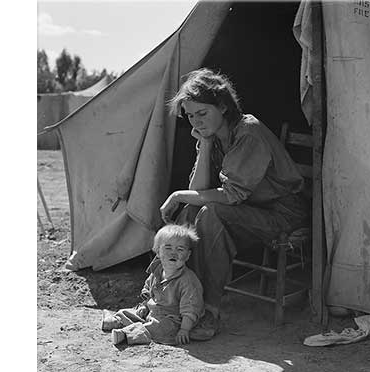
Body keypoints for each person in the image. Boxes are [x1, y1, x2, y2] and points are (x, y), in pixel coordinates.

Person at [160, 68, 309, 339]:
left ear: (223, 106)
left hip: (283, 212)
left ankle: (208, 310)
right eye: (191, 116)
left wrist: (177, 195)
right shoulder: (213, 136)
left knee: (209, 212)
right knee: (195, 209)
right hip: (251, 210)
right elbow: (199, 189)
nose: (196, 122)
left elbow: (229, 196)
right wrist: (204, 144)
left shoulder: (248, 133)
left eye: (203, 113)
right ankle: (174, 294)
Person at [101, 224, 204, 346]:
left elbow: (190, 309)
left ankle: (126, 334)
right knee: (131, 312)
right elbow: (149, 292)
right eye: (168, 248)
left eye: (180, 249)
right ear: (158, 252)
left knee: (159, 327)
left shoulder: (188, 281)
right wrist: (145, 306)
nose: (174, 253)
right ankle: (115, 320)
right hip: (152, 311)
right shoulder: (157, 271)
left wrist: (184, 329)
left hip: (173, 319)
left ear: (187, 255)